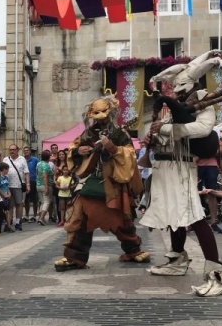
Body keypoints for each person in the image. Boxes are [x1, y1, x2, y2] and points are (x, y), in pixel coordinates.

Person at [141, 49, 222, 297]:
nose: (177, 93)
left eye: (181, 89)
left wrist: (169, 128)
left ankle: (216, 273)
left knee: (193, 215)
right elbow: (158, 131)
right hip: (162, 168)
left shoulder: (204, 102)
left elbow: (203, 129)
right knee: (172, 214)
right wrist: (152, 134)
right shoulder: (176, 106)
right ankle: (177, 260)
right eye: (175, 89)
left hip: (181, 168)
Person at [54, 95, 150, 272]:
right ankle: (74, 256)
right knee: (79, 216)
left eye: (104, 113)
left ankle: (133, 249)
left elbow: (130, 154)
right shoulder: (87, 133)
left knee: (122, 217)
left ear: (111, 113)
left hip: (113, 181)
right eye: (96, 114)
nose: (101, 118)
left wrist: (113, 148)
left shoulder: (120, 133)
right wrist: (78, 151)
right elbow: (71, 150)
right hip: (91, 180)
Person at [3, 144, 30, 231]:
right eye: (10, 149)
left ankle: (18, 222)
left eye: (14, 149)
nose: (12, 151)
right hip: (8, 186)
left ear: (17, 150)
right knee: (9, 206)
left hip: (19, 185)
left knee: (19, 204)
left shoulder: (22, 159)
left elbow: (26, 172)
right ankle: (9, 222)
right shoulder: (6, 159)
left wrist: (28, 184)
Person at [36, 151, 53, 226]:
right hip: (45, 185)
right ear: (48, 157)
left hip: (38, 185)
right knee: (47, 202)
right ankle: (42, 218)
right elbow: (44, 176)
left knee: (42, 202)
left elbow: (37, 173)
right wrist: (46, 187)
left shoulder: (38, 164)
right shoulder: (46, 165)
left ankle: (40, 217)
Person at [23, 146, 39, 222]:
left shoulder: (35, 160)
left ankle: (35, 216)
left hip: (33, 181)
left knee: (34, 199)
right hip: (24, 181)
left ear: (30, 151)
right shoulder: (22, 160)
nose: (26, 151)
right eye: (24, 150)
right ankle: (26, 215)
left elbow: (39, 169)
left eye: (27, 150)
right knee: (26, 199)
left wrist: (37, 177)